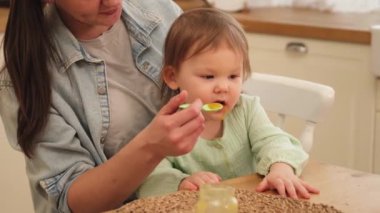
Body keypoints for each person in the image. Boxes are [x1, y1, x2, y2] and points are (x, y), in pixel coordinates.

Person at [0, 0, 207, 212]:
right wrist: (152, 147)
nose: (113, 1)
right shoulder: (27, 71)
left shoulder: (159, 9)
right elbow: (70, 201)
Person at [137, 8, 320, 200]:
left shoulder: (247, 109)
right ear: (173, 77)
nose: (224, 87)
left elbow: (274, 141)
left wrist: (281, 169)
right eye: (208, 77)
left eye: (233, 76)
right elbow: (152, 177)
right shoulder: (166, 126)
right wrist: (182, 182)